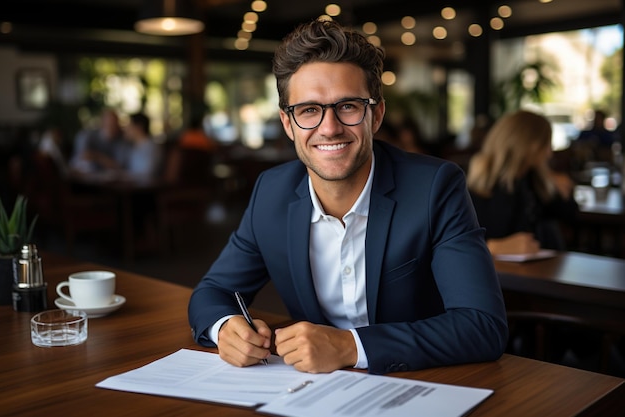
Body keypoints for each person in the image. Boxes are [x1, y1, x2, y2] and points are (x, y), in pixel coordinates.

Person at [188, 19, 508, 375]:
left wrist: (350, 346)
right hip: (311, 394)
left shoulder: (435, 186)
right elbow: (212, 291)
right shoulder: (271, 192)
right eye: (309, 110)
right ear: (287, 123)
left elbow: (482, 326)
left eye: (348, 106)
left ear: (376, 115)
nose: (329, 127)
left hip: (423, 383)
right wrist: (225, 328)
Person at [466, 110, 579, 255]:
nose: (549, 153)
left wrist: (559, 189)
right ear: (529, 146)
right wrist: (496, 247)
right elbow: (467, 243)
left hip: (535, 268)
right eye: (545, 145)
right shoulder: (482, 186)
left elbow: (569, 213)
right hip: (499, 273)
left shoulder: (531, 179)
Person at [69, 108, 128, 174]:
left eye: (114, 122)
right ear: (102, 122)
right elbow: (82, 157)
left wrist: (97, 157)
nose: (111, 125)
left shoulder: (121, 141)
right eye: (109, 121)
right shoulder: (88, 136)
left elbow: (118, 166)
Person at [123, 112, 163, 182]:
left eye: (129, 126)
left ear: (138, 127)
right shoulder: (134, 147)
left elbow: (147, 174)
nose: (126, 129)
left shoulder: (152, 148)